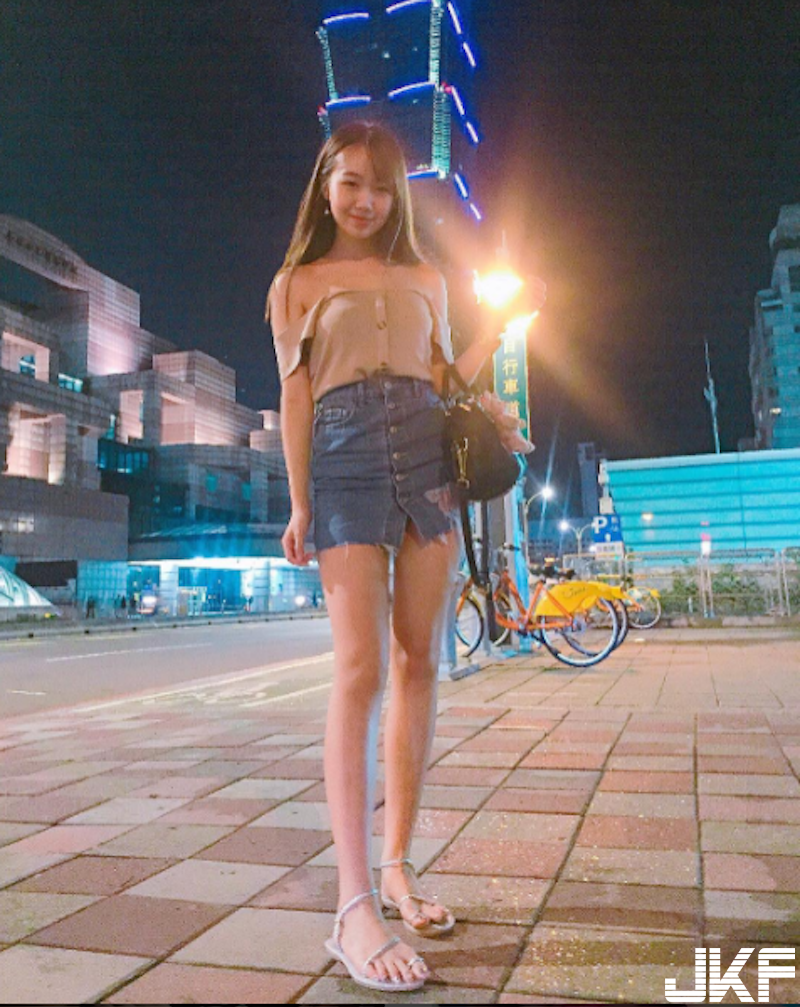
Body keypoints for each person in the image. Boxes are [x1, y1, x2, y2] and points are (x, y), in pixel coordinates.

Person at [267, 120, 515, 993]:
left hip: (424, 454)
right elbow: (297, 399)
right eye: (351, 182)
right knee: (359, 668)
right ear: (325, 184)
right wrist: (299, 502)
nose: (366, 200)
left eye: (381, 186)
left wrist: (499, 338)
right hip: (341, 459)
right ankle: (353, 905)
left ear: (398, 195)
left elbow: (445, 380)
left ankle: (400, 865)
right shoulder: (295, 284)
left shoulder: (426, 278)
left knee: (419, 662)